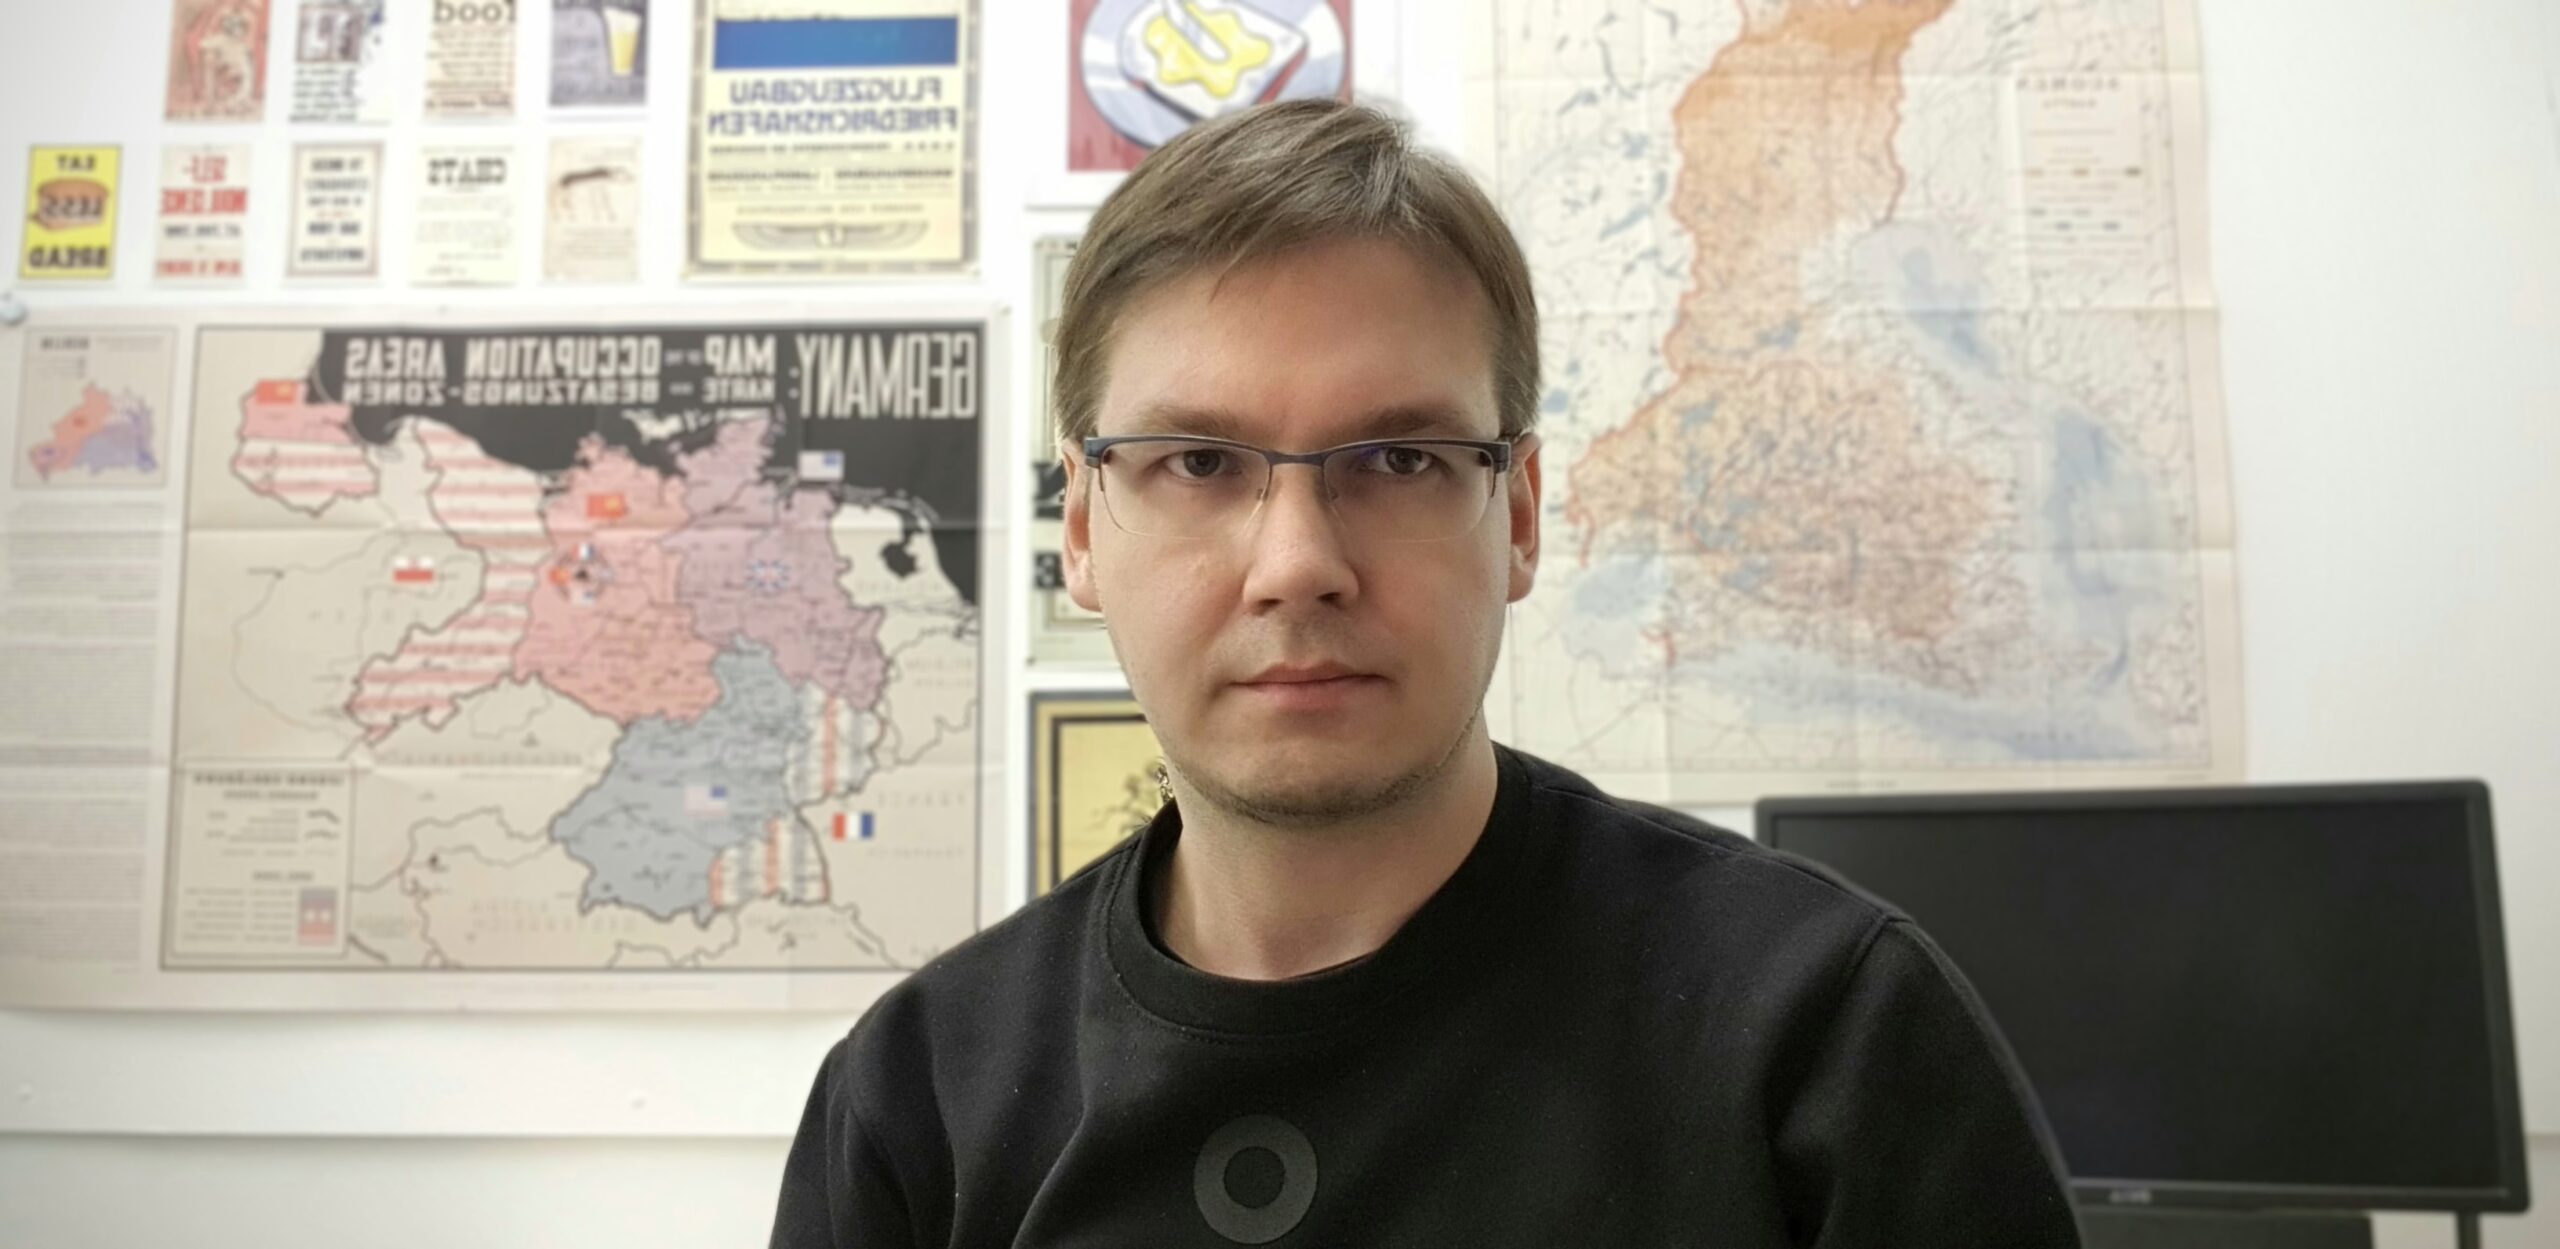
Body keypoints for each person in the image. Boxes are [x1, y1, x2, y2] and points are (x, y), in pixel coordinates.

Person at [770, 98, 2082, 1247]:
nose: (1297, 565)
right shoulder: (915, 1102)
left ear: (1519, 515)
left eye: (1399, 460)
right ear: (1080, 530)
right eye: (1199, 463)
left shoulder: (1827, 1037)